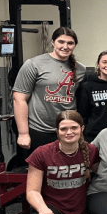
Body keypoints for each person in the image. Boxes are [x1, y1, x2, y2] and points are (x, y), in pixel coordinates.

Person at [12, 27, 86, 164]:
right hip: (39, 129)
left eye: (70, 43)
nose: (65, 46)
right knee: (40, 172)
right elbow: (19, 99)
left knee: (65, 170)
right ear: (53, 42)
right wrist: (23, 133)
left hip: (67, 129)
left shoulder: (81, 69)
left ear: (75, 45)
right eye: (61, 42)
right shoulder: (34, 64)